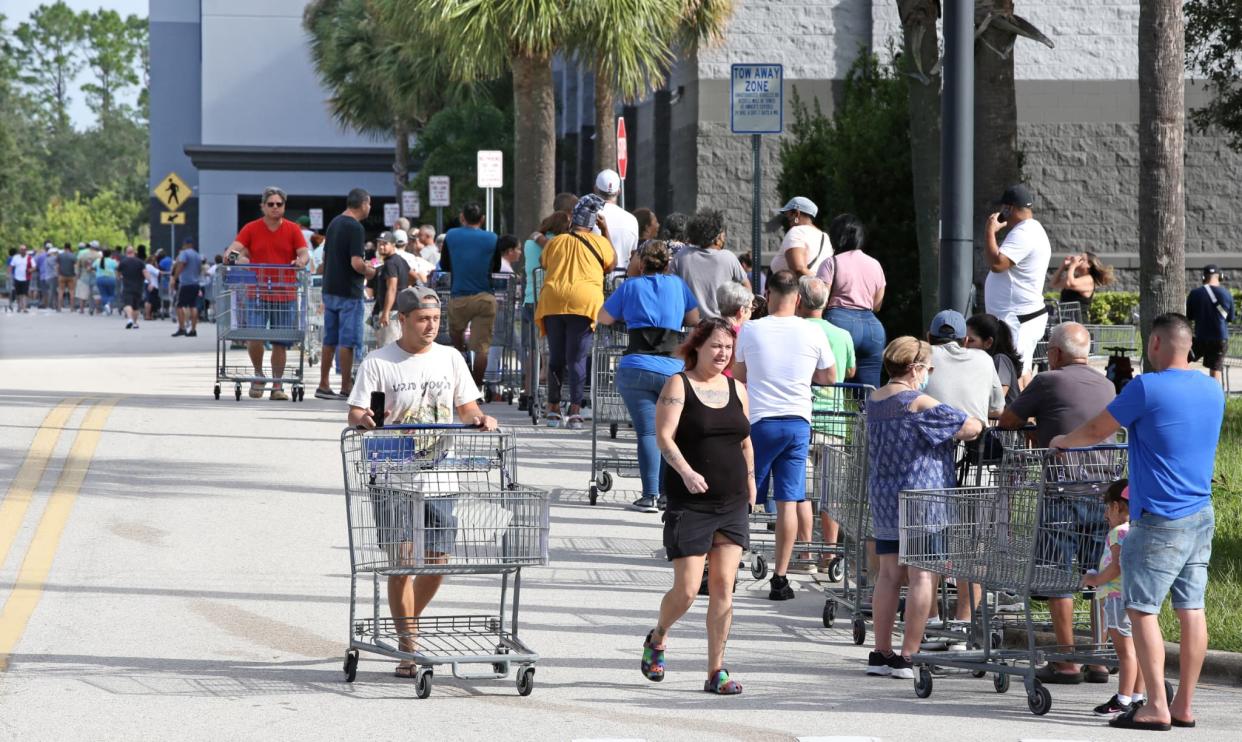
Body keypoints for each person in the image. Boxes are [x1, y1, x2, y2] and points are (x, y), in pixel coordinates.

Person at [1050, 313, 1224, 731]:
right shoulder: (1211, 387)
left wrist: (1063, 441)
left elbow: (1096, 428)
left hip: (1159, 518)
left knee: (1141, 610)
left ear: (1158, 344)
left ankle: (1155, 708)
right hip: (1201, 512)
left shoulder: (1147, 386)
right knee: (1191, 609)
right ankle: (1183, 705)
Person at [346, 286, 499, 678]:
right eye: (422, 319)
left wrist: (480, 419)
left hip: (439, 472)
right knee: (403, 560)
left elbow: (466, 406)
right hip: (392, 472)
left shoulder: (450, 358)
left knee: (437, 561)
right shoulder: (380, 362)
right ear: (403, 320)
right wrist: (364, 420)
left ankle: (408, 620)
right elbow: (358, 412)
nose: (430, 326)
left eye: (435, 319)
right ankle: (409, 646)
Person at [642, 317, 755, 695]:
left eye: (728, 347)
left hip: (733, 501)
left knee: (724, 587)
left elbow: (744, 439)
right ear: (698, 346)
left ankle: (716, 671)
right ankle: (658, 636)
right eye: (716, 346)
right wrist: (687, 472)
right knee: (688, 590)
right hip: (690, 501)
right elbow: (663, 436)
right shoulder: (679, 384)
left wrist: (752, 479)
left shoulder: (737, 388)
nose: (723, 354)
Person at [998, 322, 1116, 683]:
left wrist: (1035, 426)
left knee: (1058, 574)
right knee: (1098, 575)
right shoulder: (1108, 384)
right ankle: (1097, 656)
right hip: (1102, 491)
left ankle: (1067, 661)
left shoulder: (1048, 381)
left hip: (1061, 490)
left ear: (1054, 353)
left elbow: (1007, 421)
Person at [865, 337, 983, 678]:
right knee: (922, 574)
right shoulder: (916, 402)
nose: (929, 373)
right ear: (916, 368)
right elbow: (968, 426)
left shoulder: (875, 400)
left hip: (885, 496)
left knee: (888, 575)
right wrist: (978, 423)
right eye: (928, 368)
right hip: (922, 499)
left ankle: (881, 652)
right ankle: (908, 655)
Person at [734, 270, 836, 599]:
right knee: (789, 500)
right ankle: (781, 576)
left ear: (768, 292)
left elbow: (739, 375)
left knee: (744, 495)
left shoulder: (751, 329)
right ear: (799, 299)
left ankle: (731, 562)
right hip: (798, 421)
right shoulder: (811, 331)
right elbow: (830, 377)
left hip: (761, 420)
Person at [597, 241, 700, 512]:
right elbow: (694, 318)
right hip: (671, 368)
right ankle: (668, 493)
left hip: (636, 366)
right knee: (669, 432)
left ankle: (649, 495)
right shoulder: (678, 285)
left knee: (647, 432)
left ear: (641, 264)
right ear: (668, 264)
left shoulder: (630, 286)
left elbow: (604, 318)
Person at [222, 186, 311, 401]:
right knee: (255, 337)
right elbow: (231, 252)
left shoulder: (292, 229)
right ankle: (259, 375)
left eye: (279, 204)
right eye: (270, 204)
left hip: (285, 292)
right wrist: (239, 258)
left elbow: (304, 253)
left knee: (280, 340)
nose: (275, 207)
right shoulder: (251, 228)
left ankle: (278, 384)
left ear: (284, 206)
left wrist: (300, 261)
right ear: (263, 206)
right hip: (257, 292)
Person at [536, 194, 616, 430]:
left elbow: (544, 263)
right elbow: (611, 265)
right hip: (584, 303)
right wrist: (606, 231)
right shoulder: (600, 242)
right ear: (593, 224)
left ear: (572, 221)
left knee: (556, 357)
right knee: (577, 359)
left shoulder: (556, 241)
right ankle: (575, 412)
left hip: (553, 301)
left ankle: (552, 410)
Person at [1081, 480, 1147, 717]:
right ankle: (1138, 697)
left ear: (1119, 507)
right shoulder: (1138, 530)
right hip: (1134, 596)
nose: (1105, 513)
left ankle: (1123, 699)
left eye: (1108, 508)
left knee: (1124, 652)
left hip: (1117, 598)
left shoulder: (1118, 533)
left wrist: (1095, 580)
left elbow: (1116, 567)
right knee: (1139, 651)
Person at [984, 184, 1052, 377]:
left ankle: (1018, 408)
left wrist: (989, 231)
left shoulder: (1024, 233)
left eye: (1003, 208)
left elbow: (998, 264)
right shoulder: (1029, 230)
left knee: (1016, 372)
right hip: (1018, 317)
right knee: (1020, 370)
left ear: (1009, 208)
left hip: (1019, 318)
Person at [316, 188, 373, 400]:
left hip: (329, 289)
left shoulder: (334, 223)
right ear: (364, 204)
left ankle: (323, 384)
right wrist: (371, 271)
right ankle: (346, 386)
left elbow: (325, 256)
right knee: (348, 341)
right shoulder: (355, 228)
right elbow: (356, 263)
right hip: (349, 292)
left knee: (329, 339)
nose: (370, 207)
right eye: (369, 204)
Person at [819, 213, 887, 388]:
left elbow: (820, 300)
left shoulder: (831, 263)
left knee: (832, 387)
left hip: (839, 322)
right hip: (873, 328)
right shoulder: (875, 264)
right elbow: (877, 305)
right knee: (868, 394)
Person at [440, 203, 500, 388]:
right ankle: (476, 387)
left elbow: (444, 265)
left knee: (455, 336)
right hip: (485, 297)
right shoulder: (492, 237)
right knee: (482, 349)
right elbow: (496, 267)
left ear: (462, 217)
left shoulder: (451, 235)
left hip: (459, 296)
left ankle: (462, 355)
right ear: (482, 219)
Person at [520, 211, 572, 411]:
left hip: (530, 299)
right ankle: (551, 389)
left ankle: (528, 392)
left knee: (532, 349)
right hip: (551, 301)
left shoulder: (529, 243)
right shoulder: (564, 245)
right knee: (552, 349)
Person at [670, 209, 749, 318]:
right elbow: (747, 288)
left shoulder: (682, 256)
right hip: (721, 325)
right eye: (723, 233)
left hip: (690, 326)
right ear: (716, 238)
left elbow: (670, 288)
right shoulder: (728, 257)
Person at [1186, 264, 1235, 385]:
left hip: (1200, 338)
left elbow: (1190, 317)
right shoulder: (1227, 294)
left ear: (1204, 277)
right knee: (1215, 368)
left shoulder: (1195, 293)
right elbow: (1230, 318)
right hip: (1219, 338)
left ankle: (1182, 385)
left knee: (1182, 359)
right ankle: (1214, 393)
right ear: (1220, 277)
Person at [964, 313, 1024, 405]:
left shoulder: (1000, 360)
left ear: (988, 342)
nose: (965, 345)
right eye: (964, 340)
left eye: (971, 341)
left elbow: (997, 400)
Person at [770, 197, 831, 278]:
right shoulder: (824, 236)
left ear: (796, 214)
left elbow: (798, 269)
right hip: (820, 288)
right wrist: (820, 284)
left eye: (787, 213)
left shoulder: (796, 232)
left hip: (797, 289)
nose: (786, 216)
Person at [593, 169, 638, 270]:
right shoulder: (632, 220)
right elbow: (633, 254)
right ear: (618, 191)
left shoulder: (590, 217)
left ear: (595, 189)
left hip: (594, 279)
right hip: (622, 280)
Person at [371, 231, 409, 348]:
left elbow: (392, 288)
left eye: (385, 244)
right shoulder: (399, 260)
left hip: (392, 311)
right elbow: (412, 275)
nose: (381, 246)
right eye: (379, 244)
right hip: (398, 309)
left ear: (393, 245)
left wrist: (386, 312)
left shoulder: (391, 263)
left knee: (389, 347)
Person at [1051, 251, 1114, 322]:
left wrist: (1073, 265)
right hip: (1065, 322)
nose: (1077, 261)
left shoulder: (1089, 279)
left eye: (1081, 259)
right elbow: (1054, 284)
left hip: (1078, 325)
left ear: (1089, 264)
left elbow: (1070, 284)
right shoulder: (1074, 278)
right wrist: (1062, 266)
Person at [171, 238, 203, 337]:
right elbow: (200, 269)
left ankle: (182, 328)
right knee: (193, 306)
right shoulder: (197, 255)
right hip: (195, 283)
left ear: (186, 244)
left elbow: (181, 265)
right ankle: (193, 330)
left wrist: (174, 278)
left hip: (185, 284)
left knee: (179, 305)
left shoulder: (184, 253)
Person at [116, 246, 146, 329]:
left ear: (126, 253)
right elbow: (145, 272)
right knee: (136, 306)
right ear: (134, 252)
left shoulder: (123, 262)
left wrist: (119, 277)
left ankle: (129, 319)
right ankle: (135, 323)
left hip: (127, 286)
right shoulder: (140, 262)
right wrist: (150, 281)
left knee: (127, 304)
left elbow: (118, 273)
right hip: (138, 287)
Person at [81, 243, 104, 314]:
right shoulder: (99, 255)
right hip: (96, 274)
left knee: (87, 293)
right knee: (96, 292)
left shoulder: (84, 254)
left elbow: (82, 264)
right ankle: (97, 309)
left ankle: (86, 308)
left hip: (85, 274)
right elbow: (101, 266)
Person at [8, 245, 32, 313]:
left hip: (26, 278)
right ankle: (19, 307)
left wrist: (31, 270)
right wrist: (9, 274)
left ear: (26, 250)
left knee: (24, 294)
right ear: (19, 250)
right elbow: (11, 266)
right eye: (21, 249)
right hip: (17, 278)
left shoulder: (29, 257)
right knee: (18, 294)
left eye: (24, 249)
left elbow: (34, 266)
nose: (23, 251)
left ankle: (24, 308)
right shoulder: (15, 257)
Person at [55, 244, 76, 312]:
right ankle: (72, 308)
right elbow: (75, 266)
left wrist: (58, 274)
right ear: (70, 248)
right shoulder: (73, 256)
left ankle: (59, 308)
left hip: (62, 276)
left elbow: (57, 266)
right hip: (71, 276)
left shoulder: (60, 255)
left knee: (61, 291)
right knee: (72, 292)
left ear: (64, 248)